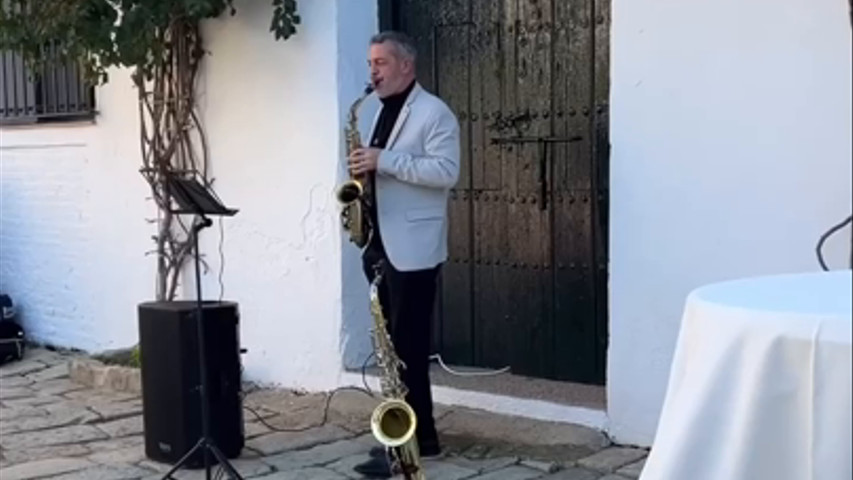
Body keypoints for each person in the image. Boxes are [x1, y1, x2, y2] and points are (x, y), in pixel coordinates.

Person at [348, 30, 461, 478]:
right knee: (390, 347)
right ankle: (413, 436)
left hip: (413, 248)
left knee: (408, 349)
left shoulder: (435, 113)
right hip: (378, 241)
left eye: (381, 63)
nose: (373, 71)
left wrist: (382, 160)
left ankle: (413, 443)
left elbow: (447, 172)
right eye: (371, 63)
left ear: (406, 66)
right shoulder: (377, 111)